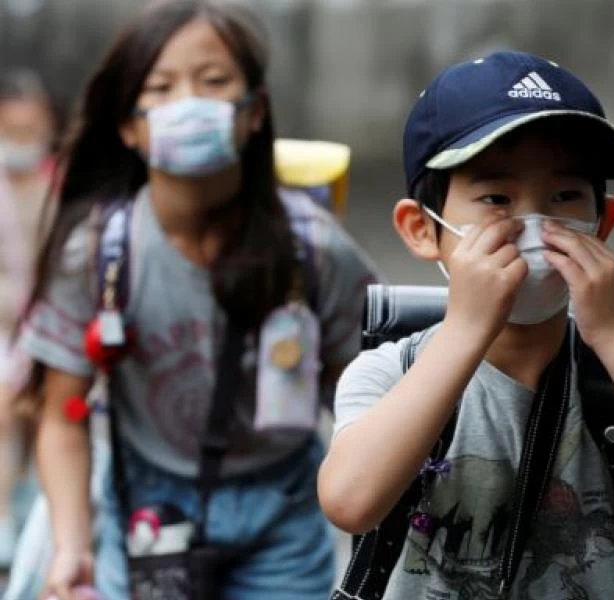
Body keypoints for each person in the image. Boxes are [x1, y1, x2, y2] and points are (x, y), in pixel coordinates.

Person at [318, 50, 614, 600]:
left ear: (603, 224)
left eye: (565, 197)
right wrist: (464, 330)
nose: (535, 225)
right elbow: (349, 502)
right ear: (421, 228)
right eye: (496, 199)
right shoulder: (390, 371)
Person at [16, 1, 379, 599]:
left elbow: (367, 400)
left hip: (282, 517)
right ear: (129, 125)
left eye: (212, 82)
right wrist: (72, 545)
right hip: (146, 513)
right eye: (161, 87)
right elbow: (62, 415)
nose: (188, 102)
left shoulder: (315, 253)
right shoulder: (99, 255)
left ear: (254, 111)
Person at [0, 67, 59, 569]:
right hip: (3, 331)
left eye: (30, 132)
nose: (21, 143)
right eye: (11, 133)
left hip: (51, 327)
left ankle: (45, 527)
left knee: (52, 414)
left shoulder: (59, 188)